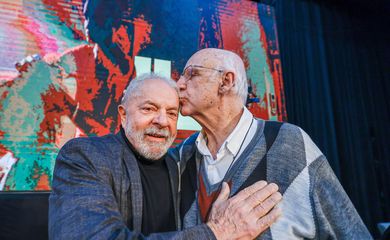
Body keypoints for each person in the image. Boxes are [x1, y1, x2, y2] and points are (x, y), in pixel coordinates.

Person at [49, 73, 282, 239]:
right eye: (148, 109)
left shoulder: (179, 163)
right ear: (122, 114)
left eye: (171, 113)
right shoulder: (84, 155)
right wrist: (218, 231)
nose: (162, 121)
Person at [174, 48, 372, 239]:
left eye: (192, 74)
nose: (179, 84)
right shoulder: (182, 155)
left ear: (226, 81)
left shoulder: (289, 142)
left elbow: (349, 231)